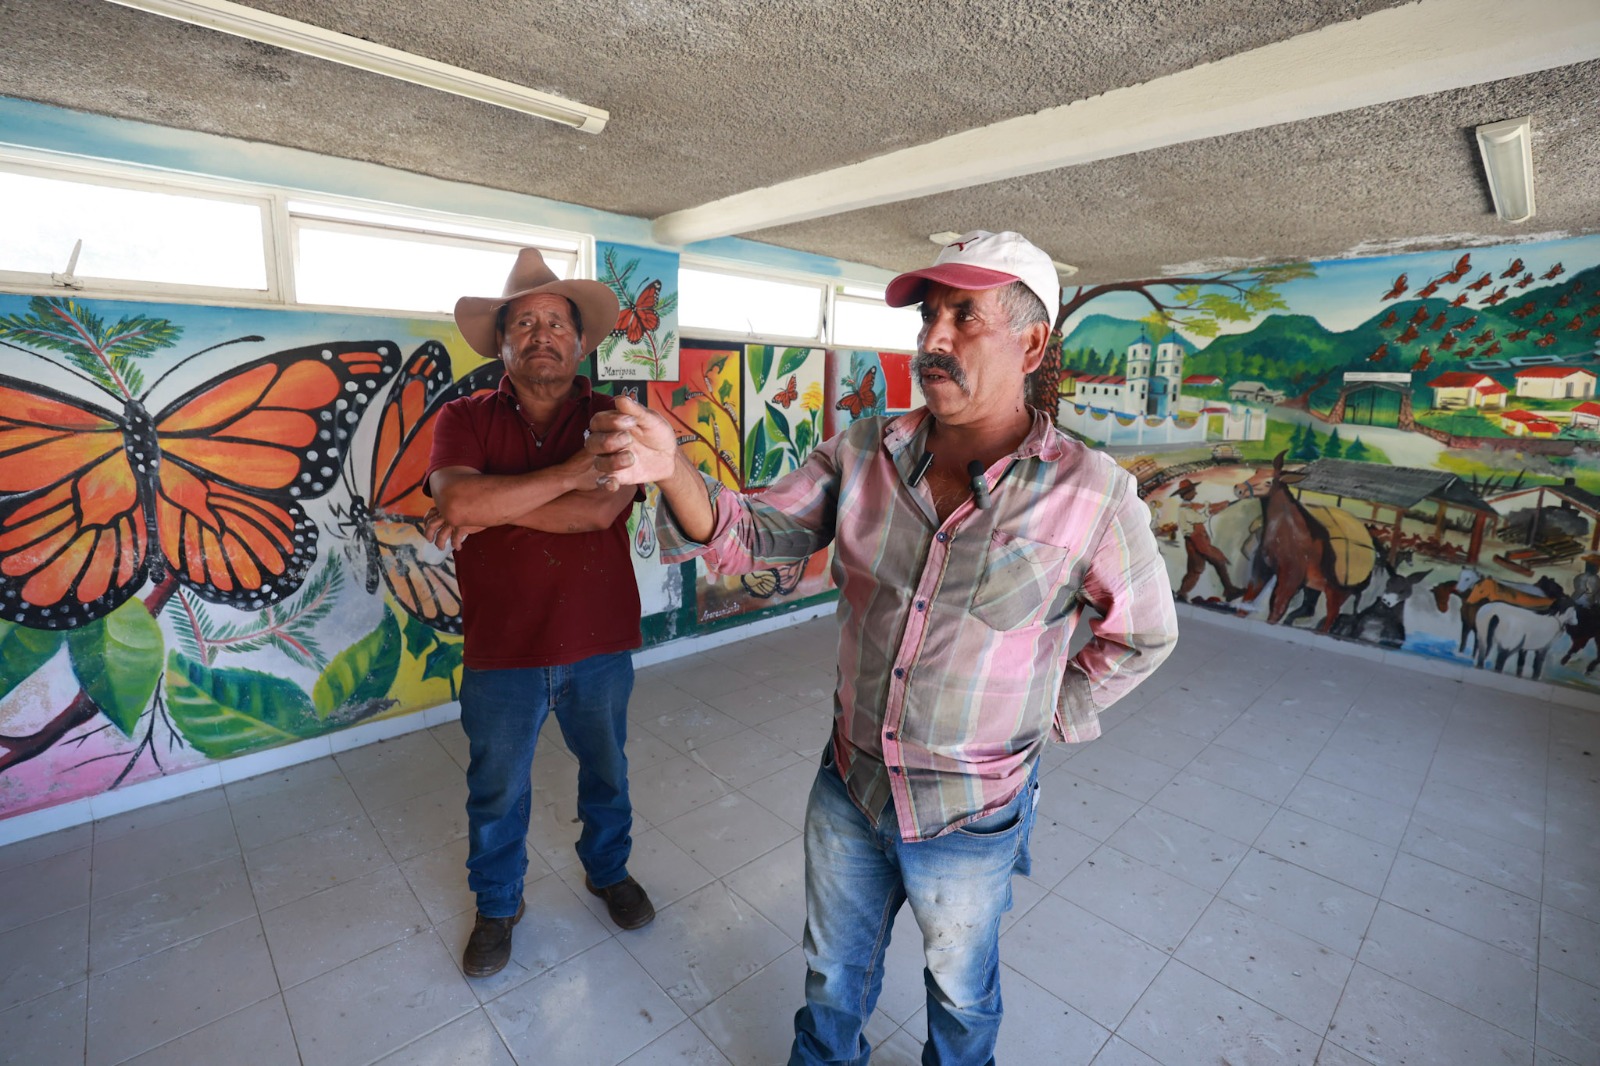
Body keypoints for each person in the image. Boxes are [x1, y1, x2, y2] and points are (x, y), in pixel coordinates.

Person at [585, 231, 1179, 1063]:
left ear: (1032, 342)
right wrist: (671, 467)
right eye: (928, 316)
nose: (931, 339)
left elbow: (1143, 633)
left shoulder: (1091, 493)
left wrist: (1048, 711)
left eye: (962, 317)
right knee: (831, 979)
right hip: (850, 785)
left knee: (962, 999)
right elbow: (755, 531)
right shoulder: (865, 451)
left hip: (972, 812)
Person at [423, 248, 655, 980]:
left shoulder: (614, 418)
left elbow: (597, 515)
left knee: (608, 773)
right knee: (496, 789)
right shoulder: (462, 418)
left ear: (580, 341)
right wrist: (563, 477)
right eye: (524, 321)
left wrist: (500, 505)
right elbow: (457, 503)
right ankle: (498, 906)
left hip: (599, 642)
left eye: (557, 321)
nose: (541, 333)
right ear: (501, 342)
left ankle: (607, 870)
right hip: (502, 650)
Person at [1173, 478, 1244, 602]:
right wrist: (1209, 511)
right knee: (1205, 566)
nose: (1195, 493)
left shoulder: (1189, 506)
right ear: (1187, 493)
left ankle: (1229, 590)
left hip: (1198, 542)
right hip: (1196, 543)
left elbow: (1205, 508)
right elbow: (1200, 518)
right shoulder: (1185, 510)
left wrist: (1218, 506)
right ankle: (1182, 593)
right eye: (1193, 491)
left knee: (1201, 568)